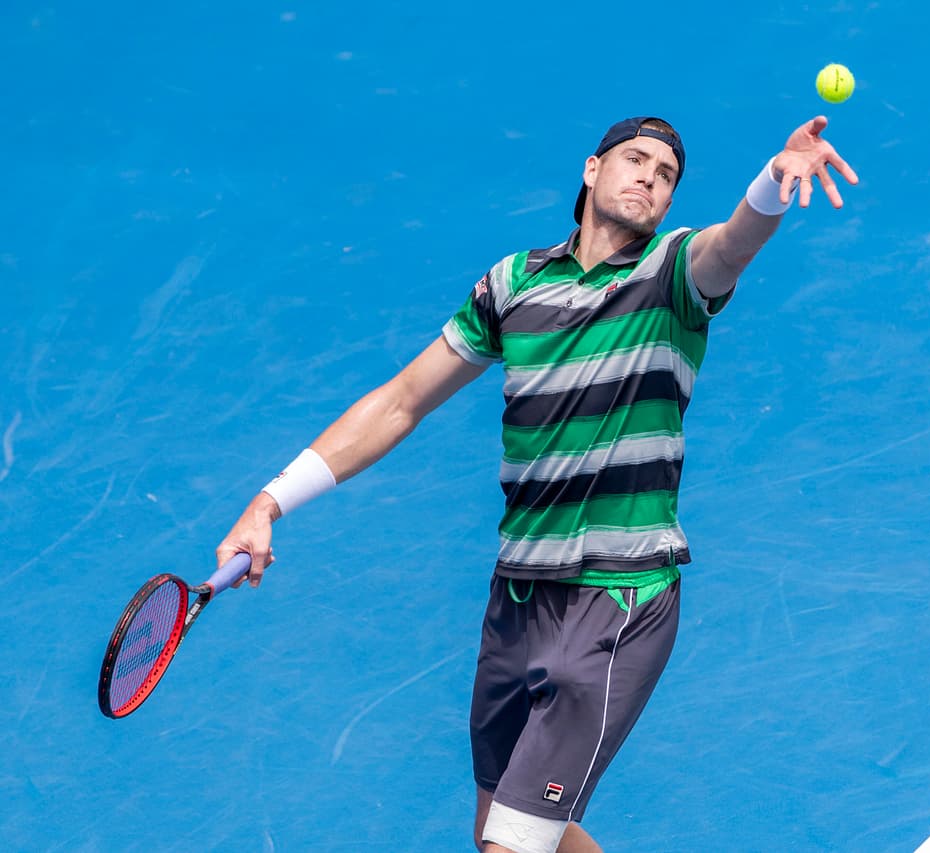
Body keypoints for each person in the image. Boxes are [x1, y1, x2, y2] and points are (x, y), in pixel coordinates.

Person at [215, 114, 858, 853]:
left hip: (617, 596)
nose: (649, 177)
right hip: (518, 595)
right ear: (592, 169)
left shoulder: (674, 275)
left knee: (512, 843)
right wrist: (269, 501)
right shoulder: (513, 284)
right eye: (635, 159)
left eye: (666, 175)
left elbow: (733, 243)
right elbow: (401, 402)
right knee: (504, 825)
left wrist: (772, 183)